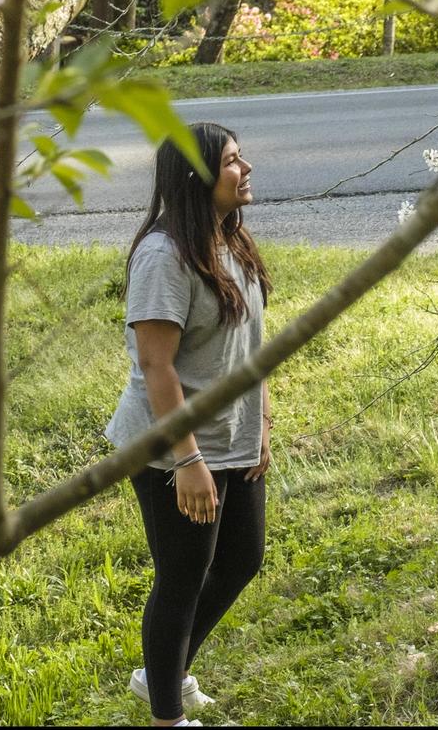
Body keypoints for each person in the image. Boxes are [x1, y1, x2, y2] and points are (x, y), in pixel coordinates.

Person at [104, 123, 272, 727]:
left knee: (242, 559)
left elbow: (249, 348)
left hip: (233, 435)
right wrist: (187, 461)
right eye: (232, 160)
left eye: (241, 156)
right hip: (168, 444)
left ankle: (160, 676)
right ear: (200, 176)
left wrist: (261, 426)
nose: (246, 167)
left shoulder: (230, 240)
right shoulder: (164, 256)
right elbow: (155, 365)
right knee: (182, 576)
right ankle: (168, 718)